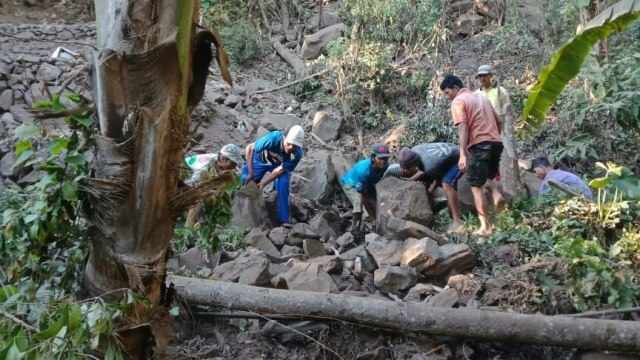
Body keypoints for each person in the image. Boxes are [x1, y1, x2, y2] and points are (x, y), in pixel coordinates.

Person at [440, 74, 503, 236]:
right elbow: (499, 122)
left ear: (455, 88)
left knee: (476, 186)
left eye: (447, 93)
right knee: (487, 178)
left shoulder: (458, 101)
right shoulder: (482, 97)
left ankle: (486, 227)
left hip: (479, 145)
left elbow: (463, 127)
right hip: (496, 142)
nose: (448, 97)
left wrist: (462, 154)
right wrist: (494, 137)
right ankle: (497, 195)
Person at [384, 144, 464, 231]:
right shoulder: (414, 150)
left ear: (414, 165)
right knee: (428, 178)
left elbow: (438, 180)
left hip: (460, 158)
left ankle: (457, 221)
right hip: (451, 150)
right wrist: (411, 180)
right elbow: (424, 171)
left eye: (407, 169)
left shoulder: (429, 167)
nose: (405, 171)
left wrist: (430, 191)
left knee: (446, 183)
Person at [241, 125, 304, 225]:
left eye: (295, 146)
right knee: (246, 180)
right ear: (284, 137)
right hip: (260, 160)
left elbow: (280, 170)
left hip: (279, 165)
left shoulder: (297, 154)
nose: (291, 148)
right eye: (289, 144)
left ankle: (283, 220)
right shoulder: (273, 138)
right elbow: (250, 148)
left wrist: (263, 184)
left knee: (283, 183)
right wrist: (251, 173)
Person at [185, 144, 245, 227]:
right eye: (233, 163)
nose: (235, 166)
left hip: (197, 183)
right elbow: (193, 189)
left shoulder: (218, 163)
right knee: (201, 199)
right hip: (185, 182)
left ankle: (203, 222)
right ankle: (189, 227)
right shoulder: (204, 168)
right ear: (223, 159)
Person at [340, 143, 391, 236]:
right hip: (350, 184)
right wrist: (373, 217)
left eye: (385, 158)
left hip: (368, 182)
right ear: (373, 157)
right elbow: (364, 196)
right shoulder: (363, 170)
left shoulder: (386, 166)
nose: (383, 161)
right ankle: (354, 229)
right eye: (380, 158)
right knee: (358, 202)